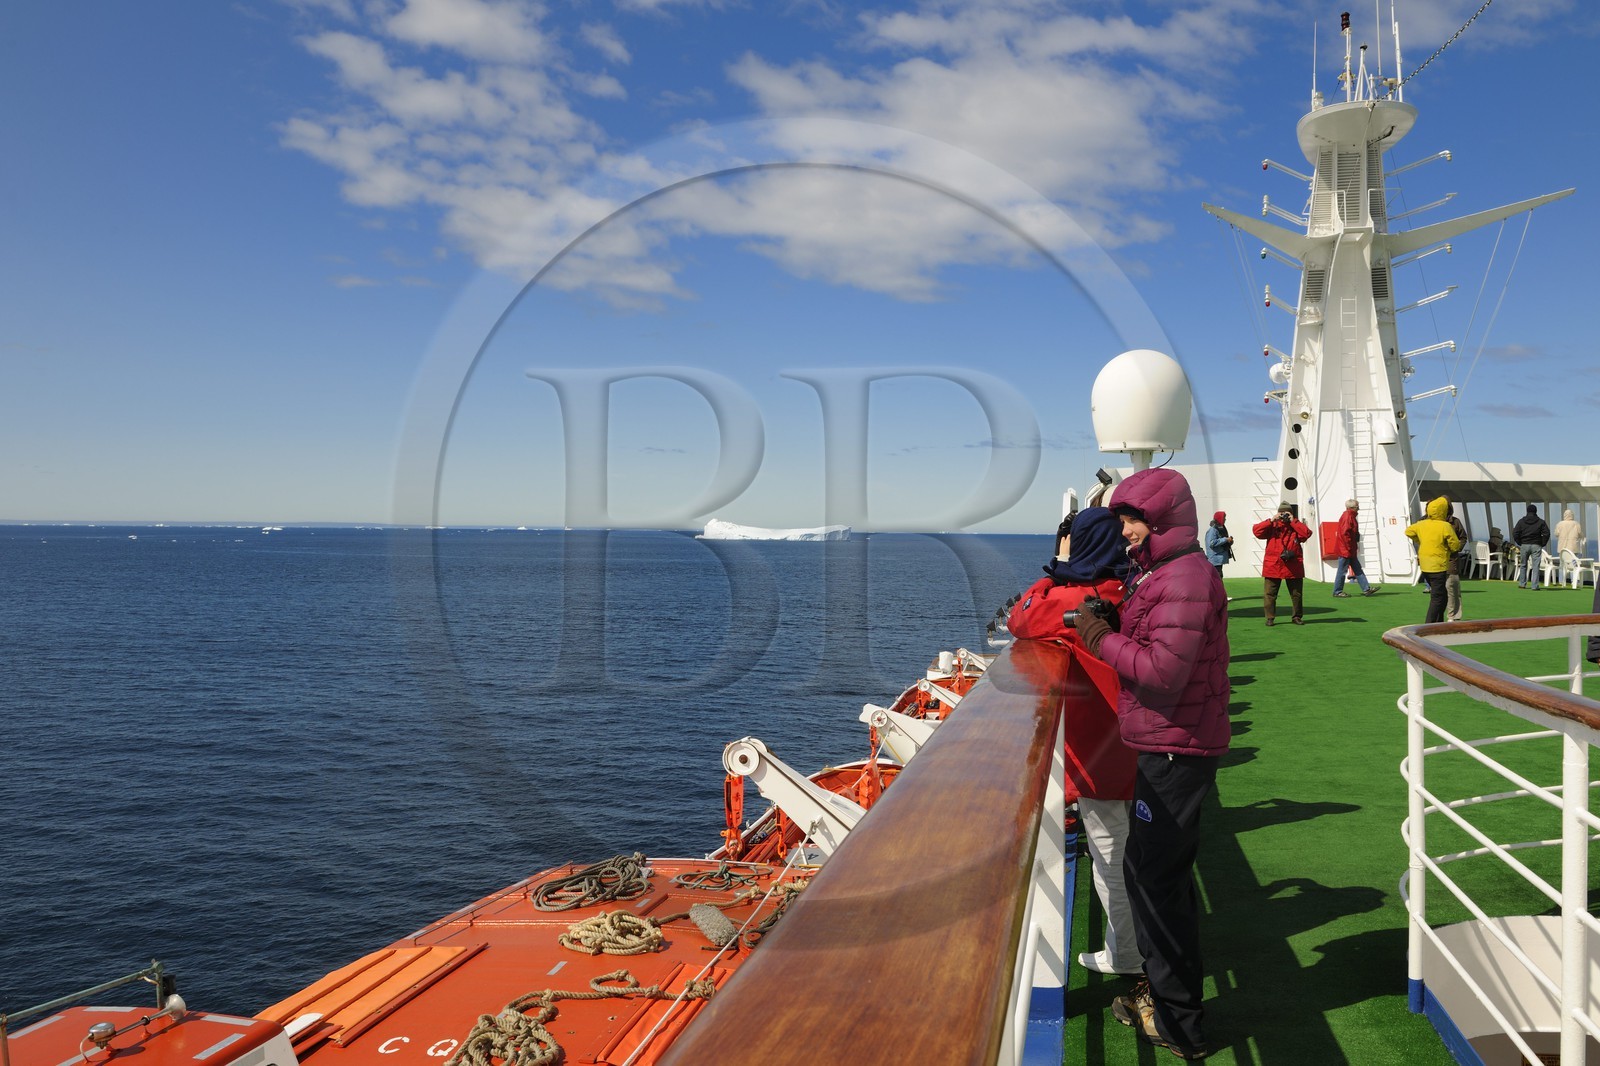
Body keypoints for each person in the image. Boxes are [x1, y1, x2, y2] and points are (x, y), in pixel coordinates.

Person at [1069, 468, 1230, 1061]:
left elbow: (1163, 672)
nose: (1125, 532)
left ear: (1160, 518)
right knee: (1152, 873)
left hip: (1176, 748)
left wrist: (1096, 637)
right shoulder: (1170, 572)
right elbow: (1163, 645)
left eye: (1131, 519)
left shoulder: (1183, 577)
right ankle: (1166, 1002)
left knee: (1156, 881)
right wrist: (1116, 625)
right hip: (1169, 742)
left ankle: (1179, 1023)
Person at [1007, 508, 1141, 977]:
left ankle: (1127, 959)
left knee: (1111, 861)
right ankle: (1140, 951)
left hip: (1102, 755)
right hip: (1139, 745)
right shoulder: (1128, 588)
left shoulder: (1079, 598)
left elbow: (1021, 617)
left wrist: (1055, 565)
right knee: (1136, 855)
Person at [1253, 502, 1313, 626]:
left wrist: (1293, 521)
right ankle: (1270, 617)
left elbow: (1306, 534)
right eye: (1282, 513)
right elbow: (1257, 531)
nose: (1284, 515)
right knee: (1270, 594)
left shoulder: (1295, 526)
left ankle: (1296, 616)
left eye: (1287, 513)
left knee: (1296, 594)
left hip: (1293, 565)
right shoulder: (1272, 525)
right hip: (1274, 565)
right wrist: (1271, 520)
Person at [1405, 497, 1462, 623]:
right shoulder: (1445, 526)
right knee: (1437, 598)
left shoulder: (1421, 524)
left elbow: (1408, 531)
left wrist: (1420, 541)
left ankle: (1438, 622)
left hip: (1425, 566)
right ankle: (1428, 625)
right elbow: (1455, 545)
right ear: (1444, 511)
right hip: (1438, 566)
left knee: (1441, 596)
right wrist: (1449, 548)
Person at [1330, 499, 1375, 598]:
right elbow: (1345, 534)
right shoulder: (1348, 517)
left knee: (1357, 569)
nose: (1359, 508)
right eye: (1357, 507)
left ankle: (1366, 589)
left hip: (1348, 549)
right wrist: (1350, 547)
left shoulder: (1349, 516)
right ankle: (1337, 591)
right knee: (1342, 571)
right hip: (1346, 549)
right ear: (1352, 508)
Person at [1513, 504, 1551, 589]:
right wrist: (1542, 543)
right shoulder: (1541, 522)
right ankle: (1534, 586)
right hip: (1536, 545)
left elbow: (1515, 533)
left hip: (1524, 545)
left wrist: (1520, 542)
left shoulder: (1521, 521)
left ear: (1527, 511)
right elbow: (1547, 533)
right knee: (1535, 566)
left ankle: (1522, 584)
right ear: (1535, 511)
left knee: (1523, 565)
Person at [1445, 501, 1469, 621]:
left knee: (1452, 587)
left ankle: (1453, 615)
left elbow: (1463, 537)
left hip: (1451, 559)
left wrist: (1457, 548)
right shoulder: (1430, 521)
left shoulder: (1455, 522)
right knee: (1440, 590)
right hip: (1436, 559)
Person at [1555, 509, 1585, 583]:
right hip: (1573, 547)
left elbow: (1556, 534)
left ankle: (1561, 581)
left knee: (1562, 564)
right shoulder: (1576, 524)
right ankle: (1574, 580)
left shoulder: (1560, 524)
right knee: (1574, 564)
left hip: (1562, 548)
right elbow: (1581, 534)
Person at [1204, 511, 1234, 581]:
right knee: (1217, 579)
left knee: (1218, 578)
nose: (1225, 519)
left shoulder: (1219, 528)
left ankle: (1218, 592)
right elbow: (1211, 543)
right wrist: (1226, 539)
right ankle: (1219, 592)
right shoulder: (1213, 530)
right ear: (1219, 518)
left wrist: (1229, 541)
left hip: (1218, 559)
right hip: (1215, 559)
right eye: (1224, 518)